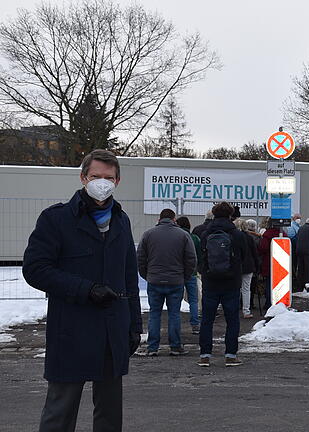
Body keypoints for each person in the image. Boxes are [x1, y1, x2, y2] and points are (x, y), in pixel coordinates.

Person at [23, 149, 142, 432]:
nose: (102, 183)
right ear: (83, 177)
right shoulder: (56, 219)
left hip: (112, 331)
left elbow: (129, 277)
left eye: (108, 178)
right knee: (59, 413)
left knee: (110, 416)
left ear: (117, 181)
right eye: (95, 176)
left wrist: (134, 325)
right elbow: (35, 269)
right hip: (71, 330)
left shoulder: (121, 221)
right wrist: (86, 290)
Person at [137, 209, 196, 356]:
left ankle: (152, 347)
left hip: (155, 279)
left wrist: (148, 275)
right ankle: (175, 346)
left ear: (159, 219)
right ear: (174, 219)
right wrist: (185, 277)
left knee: (154, 314)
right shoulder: (183, 235)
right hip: (176, 280)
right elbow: (191, 259)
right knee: (174, 314)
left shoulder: (148, 234)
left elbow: (140, 258)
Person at [198, 202, 248, 367]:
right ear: (230, 215)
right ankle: (231, 355)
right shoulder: (237, 235)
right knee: (232, 319)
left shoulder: (205, 234)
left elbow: (202, 257)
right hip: (231, 283)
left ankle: (205, 355)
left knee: (207, 319)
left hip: (210, 282)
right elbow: (244, 257)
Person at [175, 216, 202, 335]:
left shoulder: (177, 237)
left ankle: (175, 325)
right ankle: (195, 324)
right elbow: (200, 256)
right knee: (193, 300)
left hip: (178, 272)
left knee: (175, 299)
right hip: (192, 272)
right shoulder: (195, 238)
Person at [234, 218, 258, 319]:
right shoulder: (249, 237)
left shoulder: (232, 237)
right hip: (248, 266)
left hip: (236, 266)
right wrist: (257, 265)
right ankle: (246, 310)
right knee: (246, 289)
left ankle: (234, 309)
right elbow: (254, 253)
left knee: (235, 288)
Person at [257, 219, 281, 309]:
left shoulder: (267, 235)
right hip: (280, 263)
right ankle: (278, 302)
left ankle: (268, 303)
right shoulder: (282, 234)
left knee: (269, 283)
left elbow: (262, 248)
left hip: (268, 262)